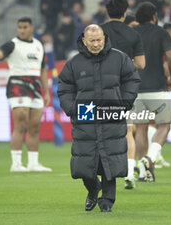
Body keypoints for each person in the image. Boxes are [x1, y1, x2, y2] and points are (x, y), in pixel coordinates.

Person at [57, 24, 140, 212]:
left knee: (110, 159)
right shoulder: (74, 63)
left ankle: (107, 201)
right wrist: (72, 109)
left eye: (99, 40)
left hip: (112, 112)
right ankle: (93, 188)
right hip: (85, 115)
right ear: (84, 41)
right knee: (84, 162)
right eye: (92, 41)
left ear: (105, 38)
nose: (96, 44)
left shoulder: (120, 58)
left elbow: (132, 80)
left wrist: (124, 104)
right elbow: (64, 88)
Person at [0, 17, 52, 172]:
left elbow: (42, 70)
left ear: (31, 28)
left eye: (25, 27)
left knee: (34, 126)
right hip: (18, 85)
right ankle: (16, 164)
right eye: (19, 27)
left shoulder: (39, 45)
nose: (22, 30)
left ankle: (33, 163)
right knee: (20, 124)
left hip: (35, 86)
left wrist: (46, 91)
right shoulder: (12, 44)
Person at [101, 0, 145, 190]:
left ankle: (104, 175)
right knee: (127, 131)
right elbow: (141, 64)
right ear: (125, 12)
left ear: (107, 11)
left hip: (101, 87)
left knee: (102, 132)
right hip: (125, 88)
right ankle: (129, 172)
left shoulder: (98, 32)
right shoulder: (133, 34)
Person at [133, 2, 171, 182]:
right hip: (157, 89)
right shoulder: (161, 33)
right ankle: (150, 157)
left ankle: (143, 173)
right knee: (164, 125)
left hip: (136, 88)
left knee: (141, 128)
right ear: (154, 17)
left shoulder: (132, 34)